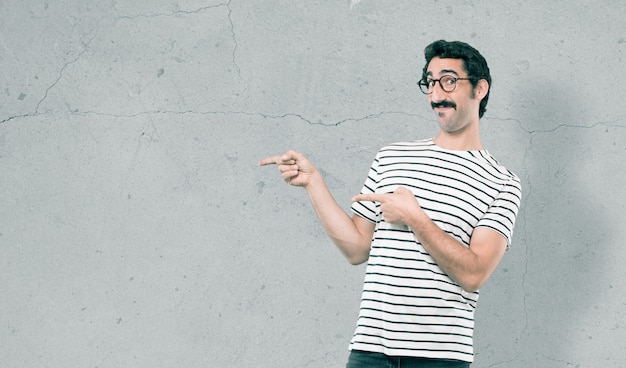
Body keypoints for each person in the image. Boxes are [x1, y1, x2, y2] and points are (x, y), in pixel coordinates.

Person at [259, 40, 521, 367]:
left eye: (450, 81)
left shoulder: (502, 182)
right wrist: (314, 183)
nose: (437, 94)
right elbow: (357, 248)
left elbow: (474, 274)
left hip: (439, 359)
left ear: (480, 88)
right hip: (369, 352)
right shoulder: (393, 157)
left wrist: (415, 218)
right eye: (430, 82)